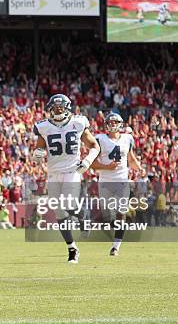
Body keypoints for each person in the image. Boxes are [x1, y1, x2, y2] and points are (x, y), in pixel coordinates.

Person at [32, 94, 100, 264]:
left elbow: (94, 146)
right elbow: (39, 149)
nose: (57, 110)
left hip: (72, 170)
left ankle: (84, 216)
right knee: (59, 211)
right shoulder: (44, 127)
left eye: (60, 107)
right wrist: (37, 155)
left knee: (68, 205)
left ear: (67, 108)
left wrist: (87, 161)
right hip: (53, 173)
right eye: (54, 107)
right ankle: (72, 248)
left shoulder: (77, 123)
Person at [91, 112, 145, 256]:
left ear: (120, 124)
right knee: (108, 216)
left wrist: (140, 169)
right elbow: (92, 163)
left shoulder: (127, 139)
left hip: (122, 179)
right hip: (105, 181)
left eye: (116, 122)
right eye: (111, 122)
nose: (113, 124)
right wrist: (107, 167)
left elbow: (131, 159)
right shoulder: (100, 139)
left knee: (122, 212)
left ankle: (116, 246)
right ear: (106, 125)